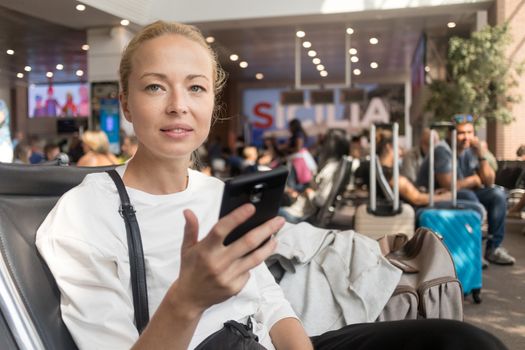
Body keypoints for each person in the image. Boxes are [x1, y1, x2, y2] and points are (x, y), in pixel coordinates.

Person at [35, 20, 507, 350]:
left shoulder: (216, 193)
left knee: (462, 340)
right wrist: (188, 300)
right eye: (156, 86)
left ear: (212, 103)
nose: (179, 105)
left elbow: (268, 299)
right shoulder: (83, 214)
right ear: (125, 104)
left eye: (196, 87)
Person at [416, 115, 515, 265]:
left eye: (470, 132)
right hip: (436, 197)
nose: (466, 137)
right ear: (450, 134)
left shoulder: (471, 150)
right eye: (461, 133)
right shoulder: (442, 150)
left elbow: (489, 181)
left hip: (460, 194)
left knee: (497, 194)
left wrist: (481, 155)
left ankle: (494, 248)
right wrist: (473, 180)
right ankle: (474, 249)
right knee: (469, 196)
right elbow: (448, 185)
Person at [376, 129, 451, 207]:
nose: (401, 152)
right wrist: (444, 197)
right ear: (389, 147)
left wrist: (432, 193)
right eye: (398, 147)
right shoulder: (390, 175)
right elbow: (417, 198)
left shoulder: (377, 171)